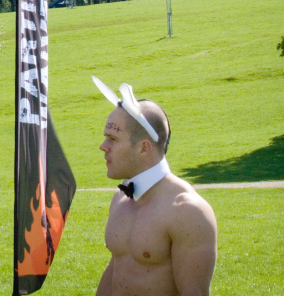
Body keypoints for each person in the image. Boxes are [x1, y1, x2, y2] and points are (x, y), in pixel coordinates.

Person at [91, 78, 217, 296]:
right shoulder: (120, 200)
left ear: (143, 148)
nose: (103, 147)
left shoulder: (188, 211)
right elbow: (115, 270)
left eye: (113, 139)